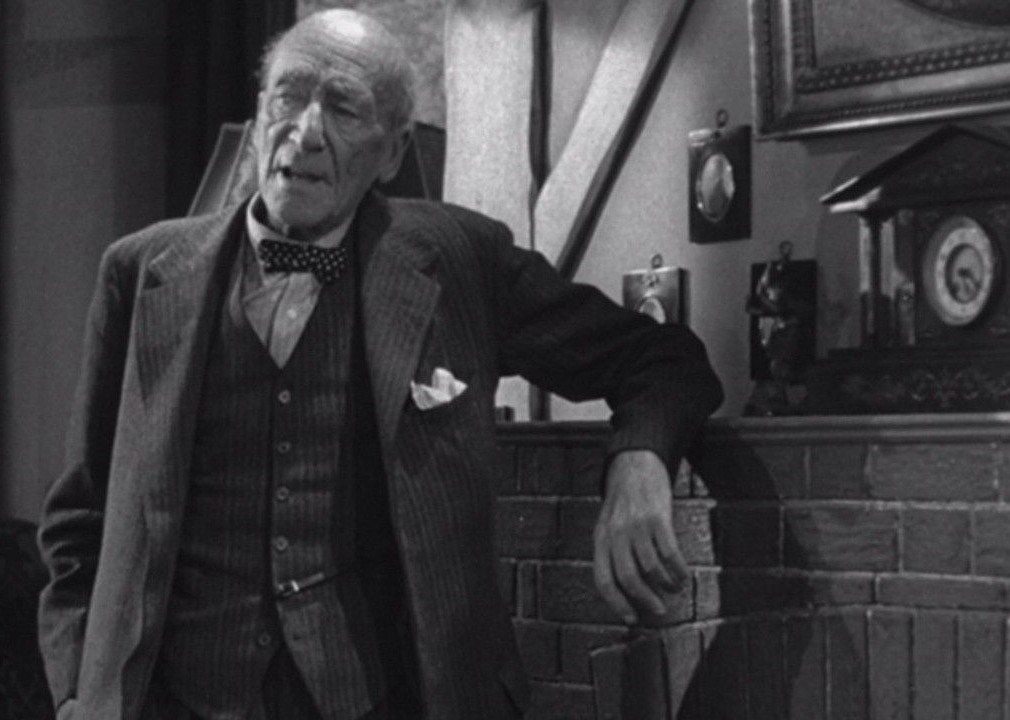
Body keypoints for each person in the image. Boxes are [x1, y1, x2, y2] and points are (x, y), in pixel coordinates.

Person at [37, 9, 722, 720]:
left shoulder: (460, 261)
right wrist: (77, 692)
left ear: (393, 153)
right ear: (260, 112)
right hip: (176, 701)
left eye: (342, 108)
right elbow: (78, 518)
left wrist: (638, 464)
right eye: (288, 96)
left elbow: (663, 358)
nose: (306, 131)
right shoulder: (140, 272)